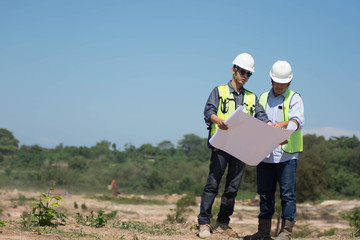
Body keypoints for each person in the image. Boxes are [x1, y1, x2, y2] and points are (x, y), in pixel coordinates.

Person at [198, 53, 270, 238]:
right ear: (234, 70)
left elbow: (263, 120)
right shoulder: (219, 91)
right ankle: (204, 223)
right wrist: (217, 120)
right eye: (242, 72)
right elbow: (209, 111)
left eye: (248, 73)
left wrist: (274, 131)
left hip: (240, 148)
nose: (245, 76)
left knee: (232, 188)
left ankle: (223, 223)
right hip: (221, 145)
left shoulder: (252, 98)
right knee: (213, 184)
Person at [244, 60, 305, 240]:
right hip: (265, 155)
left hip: (286, 156)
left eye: (283, 83)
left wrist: (284, 126)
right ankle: (263, 233)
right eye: (277, 82)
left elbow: (297, 121)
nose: (279, 85)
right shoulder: (262, 97)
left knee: (287, 194)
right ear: (271, 80)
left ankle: (286, 232)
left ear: (289, 82)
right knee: (265, 195)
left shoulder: (295, 98)